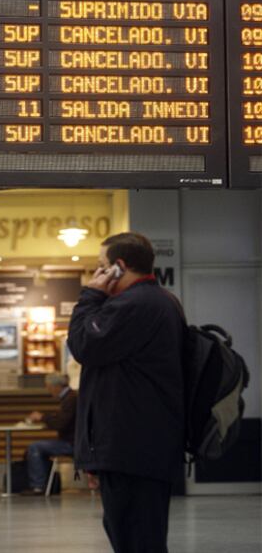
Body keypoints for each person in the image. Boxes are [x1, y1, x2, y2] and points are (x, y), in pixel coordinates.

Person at [67, 232, 185, 553]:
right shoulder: (157, 301)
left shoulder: (135, 304)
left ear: (119, 267)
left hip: (131, 449)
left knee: (135, 539)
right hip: (137, 447)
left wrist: (90, 295)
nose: (97, 274)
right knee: (136, 535)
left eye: (101, 266)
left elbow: (83, 345)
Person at [24, 373, 77, 495]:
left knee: (35, 448)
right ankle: (44, 484)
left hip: (72, 443)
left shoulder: (70, 399)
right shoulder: (70, 397)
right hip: (73, 441)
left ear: (56, 386)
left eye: (48, 387)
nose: (48, 390)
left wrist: (43, 417)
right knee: (39, 447)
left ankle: (38, 486)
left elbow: (61, 423)